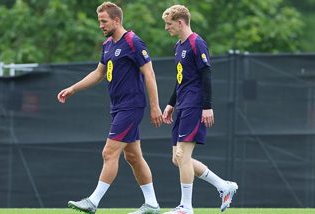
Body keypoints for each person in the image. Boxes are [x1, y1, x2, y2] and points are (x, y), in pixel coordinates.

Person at [57, 2, 163, 214]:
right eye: (99, 21)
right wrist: (73, 88)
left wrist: (155, 107)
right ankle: (152, 204)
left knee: (108, 153)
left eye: (104, 21)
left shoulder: (133, 42)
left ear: (116, 20)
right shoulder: (108, 45)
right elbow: (98, 73)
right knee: (132, 156)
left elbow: (149, 74)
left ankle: (93, 202)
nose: (100, 25)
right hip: (118, 107)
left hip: (131, 106)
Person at [161, 5, 238, 214]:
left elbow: (206, 75)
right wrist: (170, 103)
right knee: (177, 158)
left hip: (195, 105)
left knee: (183, 155)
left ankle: (186, 207)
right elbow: (181, 81)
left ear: (180, 22)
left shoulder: (197, 43)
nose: (166, 28)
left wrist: (207, 106)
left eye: (169, 24)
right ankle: (223, 186)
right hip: (183, 105)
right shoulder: (178, 46)